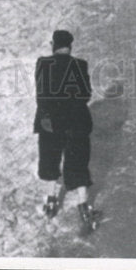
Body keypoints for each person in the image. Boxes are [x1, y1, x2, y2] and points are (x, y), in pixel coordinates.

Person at [34, 29, 96, 232]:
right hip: (76, 121)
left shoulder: (43, 63)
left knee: (50, 160)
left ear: (53, 45)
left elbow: (41, 96)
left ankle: (51, 201)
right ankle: (84, 207)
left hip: (50, 122)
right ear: (70, 46)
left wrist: (47, 116)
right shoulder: (80, 65)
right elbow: (86, 94)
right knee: (78, 163)